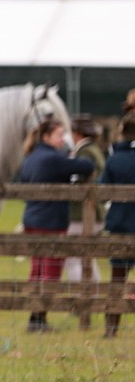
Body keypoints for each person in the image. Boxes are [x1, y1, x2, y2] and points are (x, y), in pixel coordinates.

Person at [17, 118, 95, 333]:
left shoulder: (30, 158)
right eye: (59, 135)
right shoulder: (53, 159)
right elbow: (87, 166)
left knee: (37, 268)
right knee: (50, 270)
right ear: (46, 137)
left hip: (31, 219)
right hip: (51, 221)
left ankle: (35, 316)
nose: (63, 139)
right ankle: (39, 318)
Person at [65, 117, 106, 319]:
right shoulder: (94, 150)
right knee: (87, 259)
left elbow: (80, 179)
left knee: (73, 259)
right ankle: (93, 297)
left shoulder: (85, 152)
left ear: (78, 133)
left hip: (81, 214)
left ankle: (83, 299)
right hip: (92, 213)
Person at [99, 114, 135, 338]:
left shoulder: (114, 159)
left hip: (120, 225)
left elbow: (102, 191)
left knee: (117, 279)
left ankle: (111, 329)